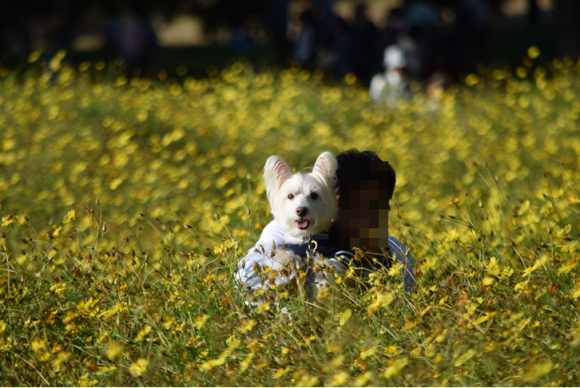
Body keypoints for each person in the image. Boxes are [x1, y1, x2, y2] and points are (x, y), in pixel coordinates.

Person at [235, 149, 415, 301]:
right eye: (349, 207)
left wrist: (374, 265)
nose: (363, 218)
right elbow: (245, 279)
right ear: (329, 203)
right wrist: (307, 273)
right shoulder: (285, 231)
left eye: (375, 207)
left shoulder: (397, 253)